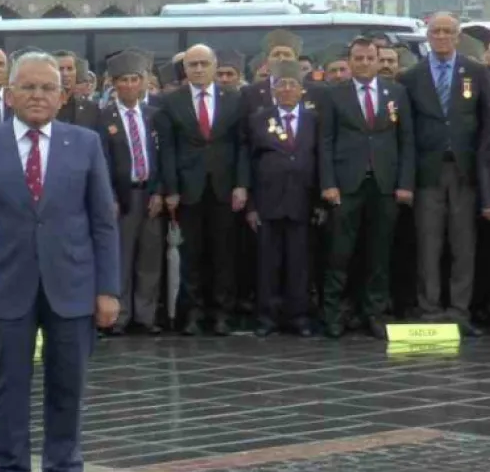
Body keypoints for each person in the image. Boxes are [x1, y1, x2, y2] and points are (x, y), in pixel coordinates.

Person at [0, 51, 120, 472]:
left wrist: (108, 289)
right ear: (9, 95)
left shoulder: (83, 143)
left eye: (47, 88)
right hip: (4, 285)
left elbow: (103, 222)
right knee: (8, 386)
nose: (38, 96)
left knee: (69, 386)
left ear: (63, 95)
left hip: (73, 286)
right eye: (27, 87)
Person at [398, 13, 490, 333]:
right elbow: (406, 134)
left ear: (457, 35)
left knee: (464, 245)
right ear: (427, 35)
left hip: (465, 172)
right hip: (427, 173)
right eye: (435, 31)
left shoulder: (477, 72)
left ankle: (460, 311)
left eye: (447, 31)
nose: (441, 36)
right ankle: (430, 309)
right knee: (428, 244)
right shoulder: (410, 76)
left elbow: (485, 127)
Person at [319, 36, 414, 339]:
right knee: (340, 252)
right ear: (350, 61)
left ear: (377, 59)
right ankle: (334, 313)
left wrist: (405, 183)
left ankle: (374, 312)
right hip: (346, 185)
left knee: (379, 253)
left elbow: (406, 141)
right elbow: (325, 143)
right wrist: (329, 183)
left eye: (369, 58)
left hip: (385, 184)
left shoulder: (396, 92)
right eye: (358, 58)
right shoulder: (333, 94)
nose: (364, 63)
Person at [156, 43, 249, 336]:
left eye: (203, 64)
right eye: (192, 64)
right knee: (191, 254)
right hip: (188, 189)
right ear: (184, 69)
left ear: (214, 65)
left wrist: (242, 184)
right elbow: (168, 150)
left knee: (224, 254)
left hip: (224, 187)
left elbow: (242, 145)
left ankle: (222, 313)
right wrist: (171, 189)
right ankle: (192, 313)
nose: (198, 69)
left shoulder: (234, 99)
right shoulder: (171, 102)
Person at [245, 60, 317, 337]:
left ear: (302, 90)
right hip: (268, 202)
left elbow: (320, 158)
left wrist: (320, 201)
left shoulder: (313, 120)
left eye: (292, 84)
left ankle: (298, 317)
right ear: (273, 89)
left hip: (302, 201)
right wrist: (251, 204)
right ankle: (266, 317)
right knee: (267, 263)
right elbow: (248, 162)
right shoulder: (259, 119)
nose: (286, 89)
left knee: (299, 264)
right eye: (281, 84)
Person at [99, 52, 165, 336]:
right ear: (114, 84)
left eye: (134, 79)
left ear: (143, 83)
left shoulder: (154, 116)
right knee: (121, 258)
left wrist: (160, 191)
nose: (129, 85)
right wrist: (109, 196)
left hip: (149, 194)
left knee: (149, 258)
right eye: (123, 80)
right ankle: (120, 316)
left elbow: (164, 157)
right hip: (121, 197)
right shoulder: (102, 118)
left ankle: (146, 315)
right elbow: (100, 160)